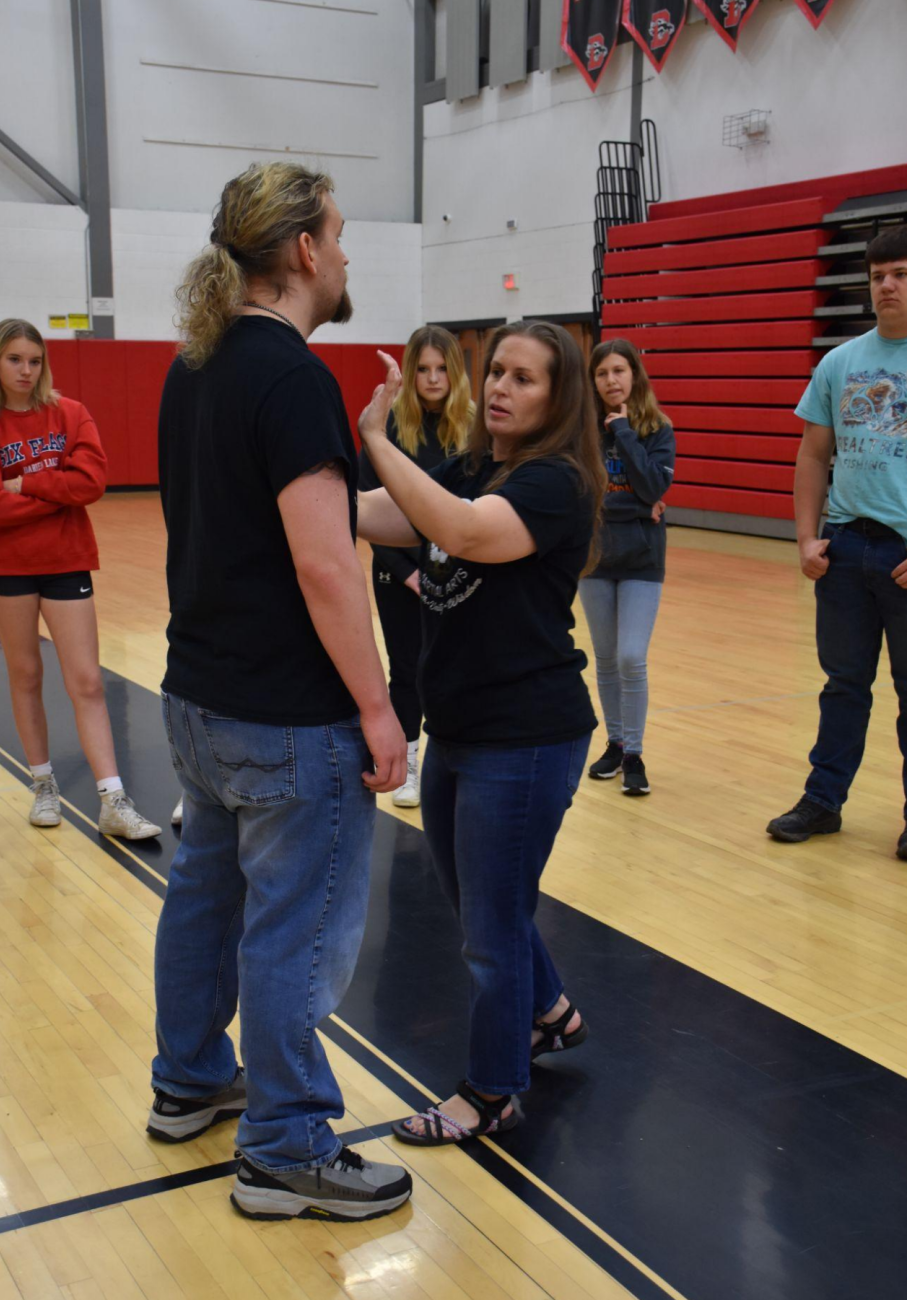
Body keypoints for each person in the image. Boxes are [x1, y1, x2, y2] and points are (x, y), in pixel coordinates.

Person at [150, 161, 412, 1222]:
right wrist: (380, 704)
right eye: (339, 234)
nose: (347, 252)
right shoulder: (296, 376)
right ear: (302, 250)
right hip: (287, 719)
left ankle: (190, 1080)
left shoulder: (196, 362)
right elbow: (322, 561)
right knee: (295, 929)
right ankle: (287, 1145)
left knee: (206, 902)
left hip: (198, 699)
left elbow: (296, 519)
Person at [356, 321, 604, 1145]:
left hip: (527, 737)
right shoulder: (479, 465)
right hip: (464, 726)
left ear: (558, 396)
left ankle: (493, 1091)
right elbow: (395, 515)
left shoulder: (555, 484)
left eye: (523, 378)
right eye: (495, 370)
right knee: (480, 905)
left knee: (491, 931)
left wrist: (369, 436)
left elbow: (458, 531)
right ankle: (552, 1013)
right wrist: (303, 496)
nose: (500, 386)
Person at [0, 319, 162, 841]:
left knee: (87, 680)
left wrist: (25, 482)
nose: (26, 370)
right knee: (26, 675)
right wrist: (57, 495)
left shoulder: (70, 413)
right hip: (5, 566)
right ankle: (43, 784)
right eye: (14, 360)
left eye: (33, 360)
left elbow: (91, 483)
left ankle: (112, 799)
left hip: (66, 560)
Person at [767, 224, 907, 857]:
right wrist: (805, 538)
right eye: (879, 276)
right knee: (842, 686)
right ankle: (823, 801)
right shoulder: (840, 363)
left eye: (900, 274)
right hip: (847, 549)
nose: (888, 285)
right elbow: (811, 455)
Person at [359, 325, 474, 807]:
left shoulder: (472, 428)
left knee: (455, 666)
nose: (432, 378)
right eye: (422, 369)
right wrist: (410, 574)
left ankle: (457, 759)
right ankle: (407, 763)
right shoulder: (389, 427)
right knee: (406, 669)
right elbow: (366, 509)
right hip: (397, 573)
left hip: (456, 571)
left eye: (440, 368)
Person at [578, 339, 675, 796]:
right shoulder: (581, 430)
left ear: (634, 375)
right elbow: (580, 492)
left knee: (631, 656)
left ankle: (634, 753)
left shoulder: (657, 429)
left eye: (619, 370)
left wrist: (625, 434)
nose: (611, 380)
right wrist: (635, 507)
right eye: (602, 373)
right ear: (593, 381)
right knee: (605, 658)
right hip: (595, 556)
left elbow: (654, 484)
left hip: (642, 559)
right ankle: (614, 742)